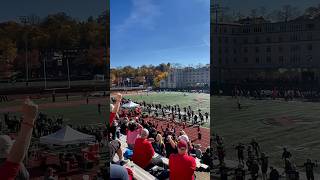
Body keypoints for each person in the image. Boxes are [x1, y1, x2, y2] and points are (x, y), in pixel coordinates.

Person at [0, 99, 38, 180]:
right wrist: (30, 119)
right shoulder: (16, 169)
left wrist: (29, 119)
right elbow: (15, 159)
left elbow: (16, 158)